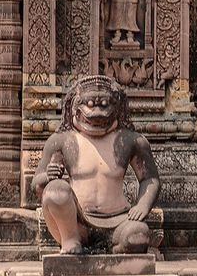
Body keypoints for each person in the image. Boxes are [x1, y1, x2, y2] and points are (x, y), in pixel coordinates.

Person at [31, 75, 160, 255]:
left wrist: (142, 205)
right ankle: (71, 241)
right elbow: (36, 186)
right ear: (74, 106)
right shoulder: (61, 141)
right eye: (90, 105)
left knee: (139, 235)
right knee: (55, 190)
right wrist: (48, 176)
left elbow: (150, 179)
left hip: (119, 220)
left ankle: (114, 250)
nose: (98, 112)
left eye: (105, 105)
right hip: (77, 222)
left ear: (118, 106)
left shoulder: (131, 140)